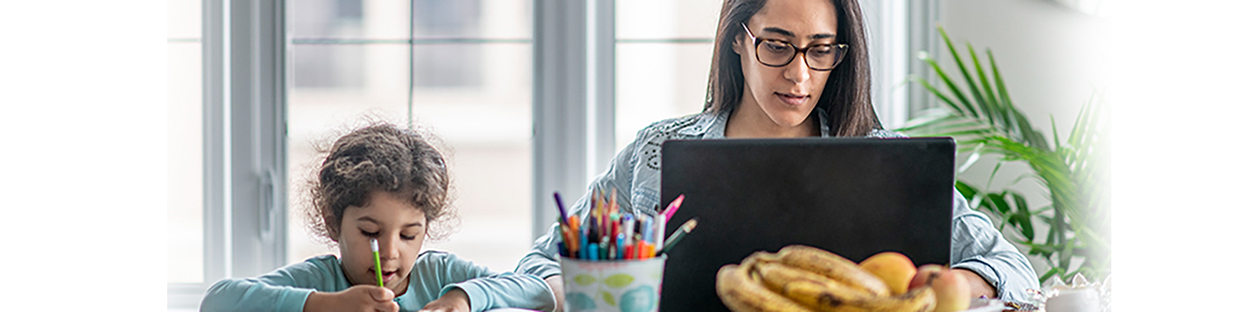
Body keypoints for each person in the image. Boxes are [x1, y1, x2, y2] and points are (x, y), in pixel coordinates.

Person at [516, 0, 1039, 309]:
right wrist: (584, 287)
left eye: (820, 49)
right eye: (777, 45)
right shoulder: (655, 151)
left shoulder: (891, 160)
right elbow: (543, 262)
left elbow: (1013, 267)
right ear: (737, 40)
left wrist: (948, 288)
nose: (799, 74)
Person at [202, 123, 555, 312]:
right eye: (371, 232)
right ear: (331, 222)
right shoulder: (320, 280)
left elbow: (538, 291)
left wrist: (462, 298)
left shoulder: (442, 275)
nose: (389, 252)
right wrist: (323, 306)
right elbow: (217, 301)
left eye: (408, 235)